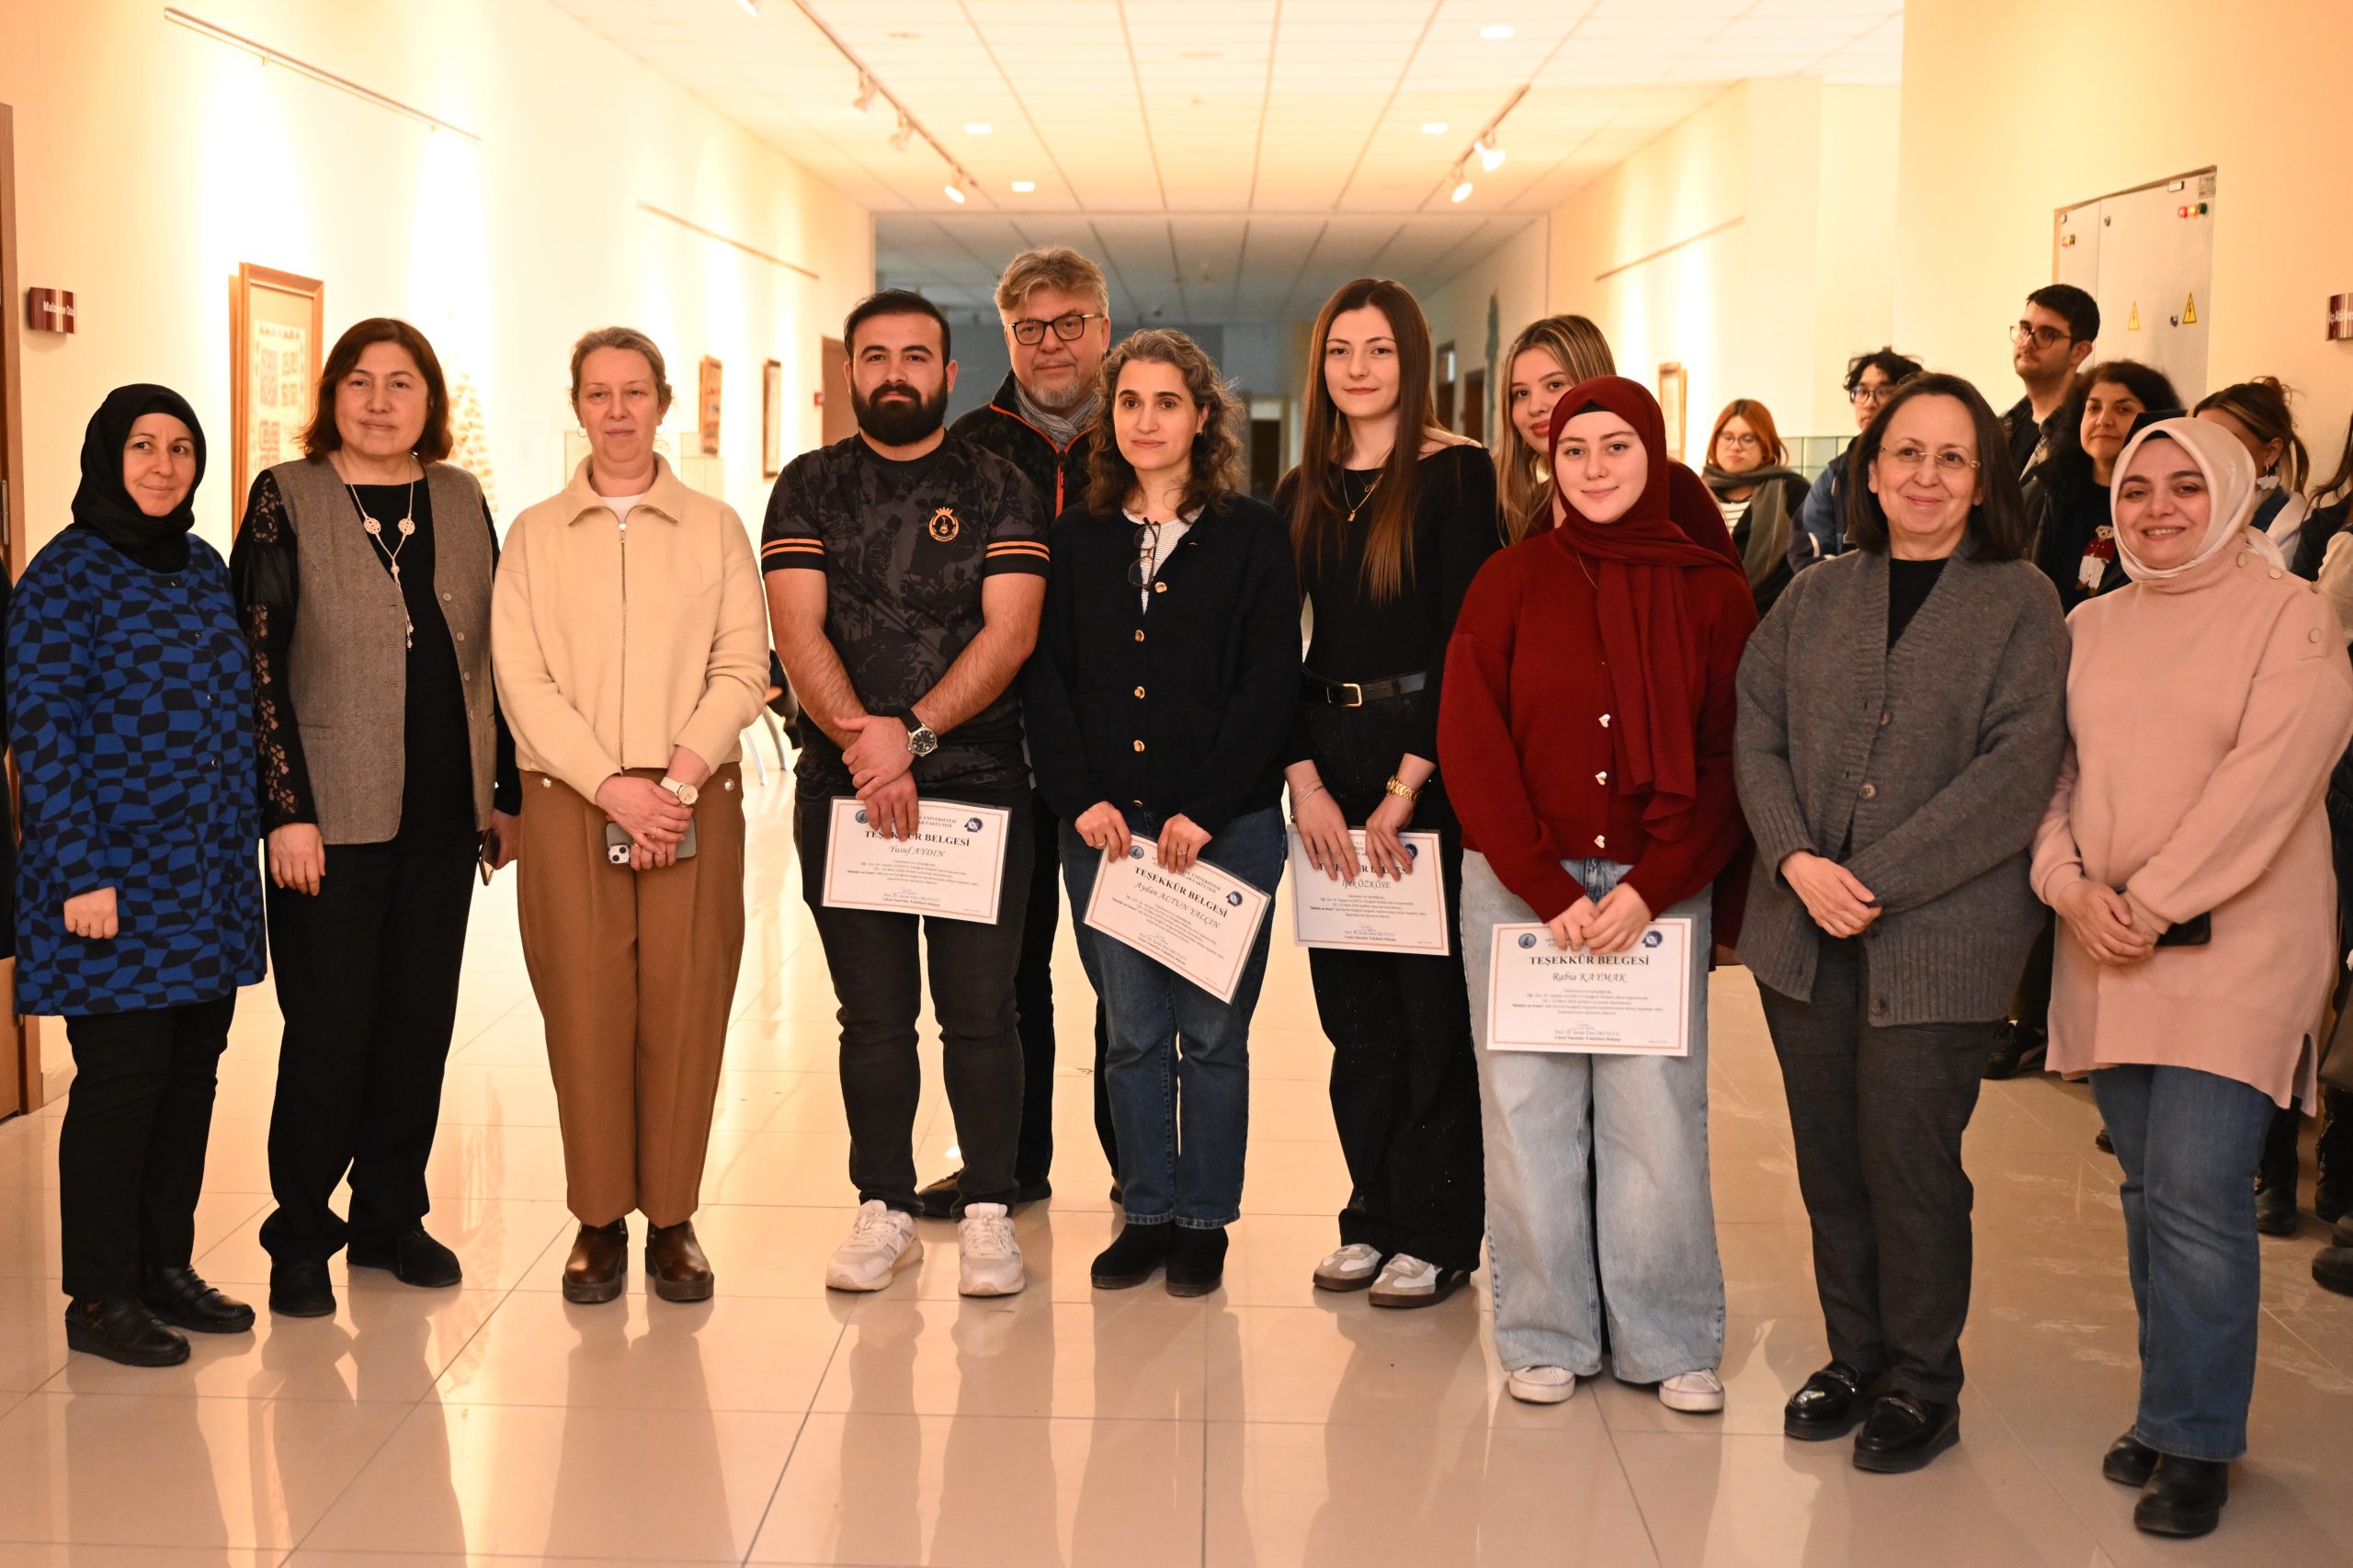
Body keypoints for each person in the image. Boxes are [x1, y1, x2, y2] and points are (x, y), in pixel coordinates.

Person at [1735, 372, 2068, 1472]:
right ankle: (1856, 1353)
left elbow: (2014, 772)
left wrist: (1866, 879)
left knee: (1910, 1161)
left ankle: (1924, 1378)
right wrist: (1796, 858)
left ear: (1981, 481)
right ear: (1868, 472)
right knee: (1829, 1159)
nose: (1926, 475)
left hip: (1938, 941)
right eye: (1906, 453)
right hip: (1800, 935)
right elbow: (1754, 728)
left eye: (1951, 457)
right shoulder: (1815, 593)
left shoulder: (2020, 601)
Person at [2031, 417, 2353, 1540]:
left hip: (2239, 946)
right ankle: (2170, 1403)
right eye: (2136, 488)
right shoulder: (2088, 624)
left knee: (2198, 1187)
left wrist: (2153, 900)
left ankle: (2198, 1437)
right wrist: (2070, 887)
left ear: (2231, 493)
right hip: (2105, 940)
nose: (2156, 507)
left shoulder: (2290, 616)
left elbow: (2270, 783)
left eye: (2184, 486)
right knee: (2145, 1188)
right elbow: (2053, 776)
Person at [1439, 375, 1756, 1412]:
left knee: (1653, 1119)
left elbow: (1728, 757)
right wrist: (1543, 885)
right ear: (1550, 464)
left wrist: (1653, 886)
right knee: (1526, 1112)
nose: (1594, 467)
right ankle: (1545, 1331)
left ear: (1655, 455)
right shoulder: (1510, 580)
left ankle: (1668, 1338)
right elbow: (1471, 740)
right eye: (1573, 450)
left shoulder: (1712, 592)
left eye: (1617, 446)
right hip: (1521, 891)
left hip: (1655, 889)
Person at [231, 317, 521, 1319]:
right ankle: (301, 1233)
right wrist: (285, 811)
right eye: (359, 382)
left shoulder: (460, 497)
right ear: (332, 397)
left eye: (402, 383)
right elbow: (256, 661)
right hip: (329, 824)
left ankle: (391, 1216)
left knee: (416, 1026)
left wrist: (504, 793)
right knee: (329, 1031)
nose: (380, 402)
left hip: (443, 817)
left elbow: (498, 658)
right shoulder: (288, 495)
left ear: (429, 401)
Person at [764, 290, 1048, 1298]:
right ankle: (882, 1205)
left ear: (948, 373)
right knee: (873, 1017)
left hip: (978, 789)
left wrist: (912, 735)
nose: (895, 372)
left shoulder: (1000, 482)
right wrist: (865, 745)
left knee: (981, 1012)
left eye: (915, 355)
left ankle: (988, 1212)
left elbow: (1011, 630)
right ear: (850, 371)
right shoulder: (809, 484)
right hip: (844, 790)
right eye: (875, 355)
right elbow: (796, 627)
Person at [493, 326, 768, 1305]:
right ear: (577, 406)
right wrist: (613, 787)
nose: (617, 411)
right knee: (585, 1006)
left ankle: (675, 1217)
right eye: (599, 393)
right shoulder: (533, 534)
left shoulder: (715, 527)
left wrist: (676, 783)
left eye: (635, 392)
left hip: (694, 797)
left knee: (686, 1005)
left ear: (662, 405)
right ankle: (599, 1216)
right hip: (572, 798)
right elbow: (519, 679)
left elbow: (743, 665)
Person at [1027, 328, 1298, 1296]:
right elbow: (1047, 680)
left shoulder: (1252, 534)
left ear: (1202, 417)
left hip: (1226, 833)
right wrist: (1081, 798)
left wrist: (1203, 808)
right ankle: (1146, 1212)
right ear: (1111, 418)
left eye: (1167, 402)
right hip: (1107, 835)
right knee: (1133, 1034)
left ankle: (1205, 1220)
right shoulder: (1076, 537)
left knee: (1214, 1038)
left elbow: (1269, 684)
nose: (1147, 420)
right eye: (1130, 402)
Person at [10, 386, 265, 1366]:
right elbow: (42, 732)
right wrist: (79, 872)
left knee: (190, 1076)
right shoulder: (64, 575)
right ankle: (100, 1292)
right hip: (109, 882)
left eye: (181, 448)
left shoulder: (201, 566)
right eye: (143, 447)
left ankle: (164, 1266)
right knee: (122, 1083)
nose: (163, 466)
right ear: (107, 457)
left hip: (203, 880)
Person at [1278, 278, 1496, 1307]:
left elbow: (1465, 644)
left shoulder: (1458, 475)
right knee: (1352, 1016)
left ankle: (1437, 1230)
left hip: (1425, 761)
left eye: (1378, 350)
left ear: (1412, 361)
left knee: (1427, 1013)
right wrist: (1306, 782)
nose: (1357, 368)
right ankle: (1369, 1215)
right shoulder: (1302, 487)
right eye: (1340, 350)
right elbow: (1268, 649)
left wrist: (1409, 783)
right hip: (1329, 762)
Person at [925, 245, 1113, 1218]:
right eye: (1030, 328)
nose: (1051, 344)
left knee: (1128, 978)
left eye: (1069, 323)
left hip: (1117, 760)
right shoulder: (967, 447)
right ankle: (1008, 1166)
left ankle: (1140, 1175)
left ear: (1102, 329)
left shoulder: (1143, 433)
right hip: (997, 757)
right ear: (1006, 337)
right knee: (1002, 982)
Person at [2193, 378, 2335, 1230]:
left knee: (2264, 990)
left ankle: (2275, 1167)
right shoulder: (2167, 547)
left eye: (2225, 442)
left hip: (2284, 799)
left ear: (2270, 453)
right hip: (2190, 808)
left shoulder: (2299, 540)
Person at [1790, 347, 1922, 569]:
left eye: (1884, 391)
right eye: (1862, 391)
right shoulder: (1837, 473)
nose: (1869, 403)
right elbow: (1806, 550)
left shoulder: (1924, 467)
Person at [1495, 313, 1615, 541]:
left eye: (1555, 384)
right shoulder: (1529, 514)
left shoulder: (1671, 485)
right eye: (1521, 393)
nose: (1535, 407)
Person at [1702, 398, 1809, 616]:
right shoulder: (1695, 490)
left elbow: (1803, 566)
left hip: (1768, 619)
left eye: (1748, 439)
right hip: (1702, 617)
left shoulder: (1792, 491)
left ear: (1765, 445)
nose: (1735, 446)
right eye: (1727, 437)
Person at [2002, 283, 2099, 476]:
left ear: (2079, 352)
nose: (2027, 343)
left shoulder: (2087, 437)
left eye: (2048, 335)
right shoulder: (2004, 424)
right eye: (2025, 329)